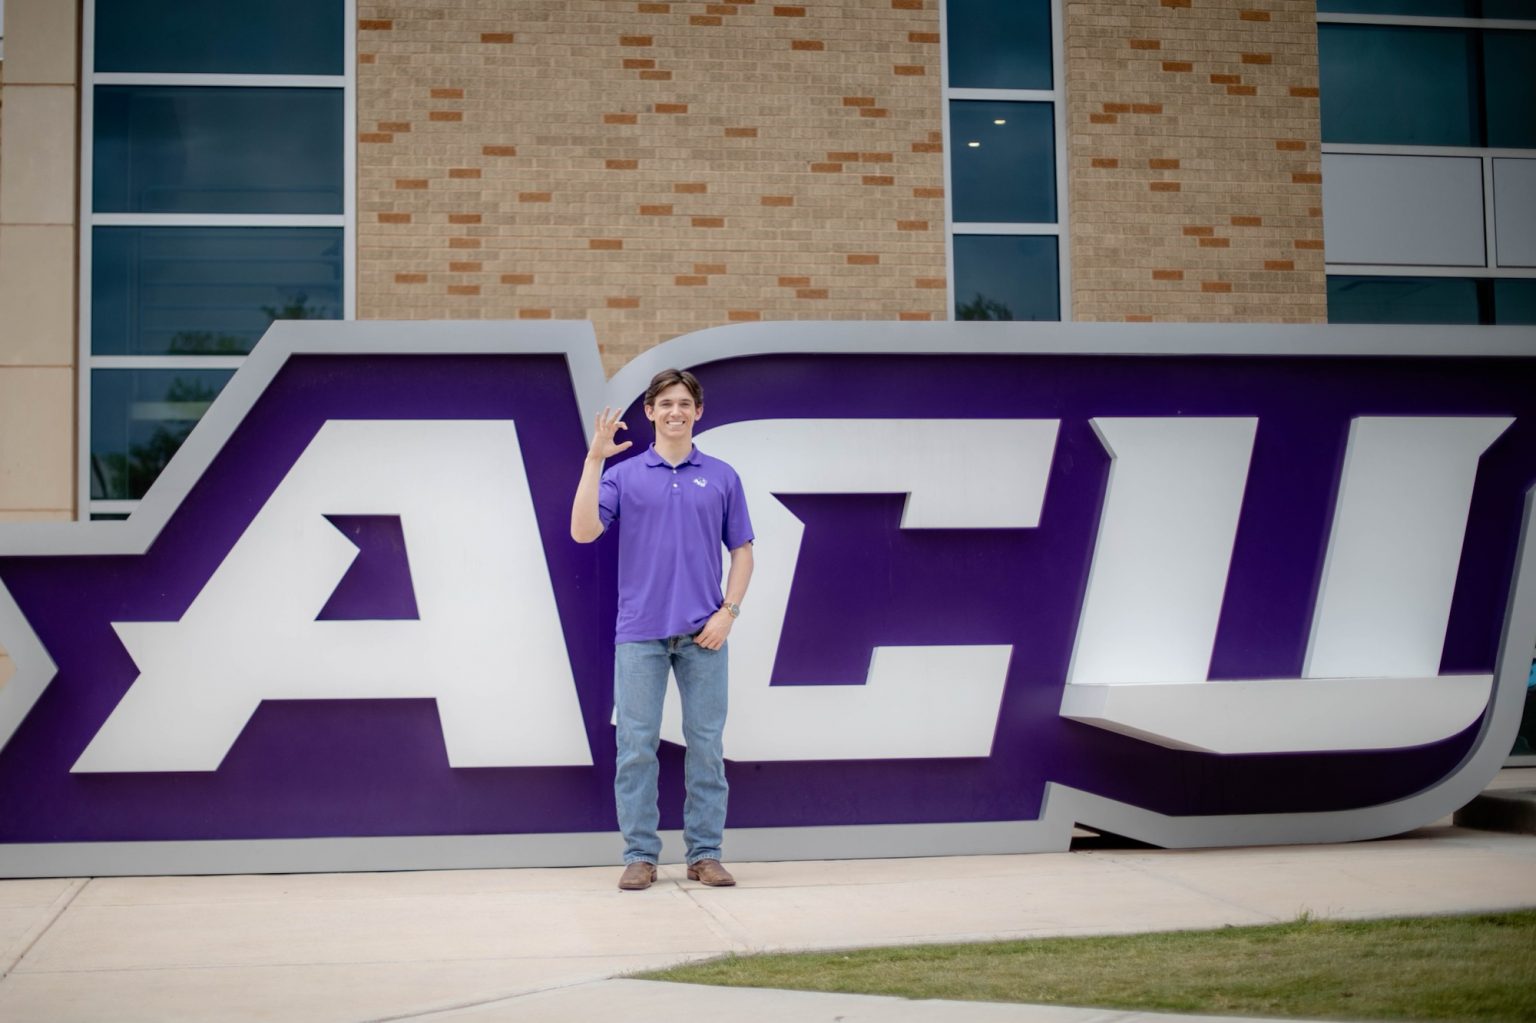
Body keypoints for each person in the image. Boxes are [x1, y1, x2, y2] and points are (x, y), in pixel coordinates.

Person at [570, 368, 754, 891]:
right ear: (649, 412)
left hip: (705, 636)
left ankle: (705, 854)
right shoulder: (623, 475)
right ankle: (640, 856)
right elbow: (583, 532)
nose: (675, 411)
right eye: (665, 403)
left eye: (684, 403)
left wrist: (729, 613)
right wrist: (594, 458)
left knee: (706, 748)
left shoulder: (721, 475)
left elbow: (743, 553)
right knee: (635, 747)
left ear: (698, 412)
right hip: (640, 634)